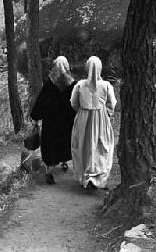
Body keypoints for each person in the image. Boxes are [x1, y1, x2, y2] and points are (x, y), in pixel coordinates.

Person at [70, 56, 117, 190]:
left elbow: (74, 103)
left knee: (83, 146)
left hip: (83, 119)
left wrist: (82, 112)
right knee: (101, 146)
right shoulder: (106, 85)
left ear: (86, 68)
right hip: (101, 119)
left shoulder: (79, 85)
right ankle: (98, 178)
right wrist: (107, 113)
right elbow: (112, 103)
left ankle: (85, 177)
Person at [31, 56, 77, 184]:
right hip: (67, 121)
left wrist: (35, 116)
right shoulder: (73, 83)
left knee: (51, 145)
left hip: (51, 122)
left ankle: (49, 172)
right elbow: (76, 102)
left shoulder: (49, 83)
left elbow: (41, 101)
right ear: (67, 66)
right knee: (64, 142)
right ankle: (63, 162)